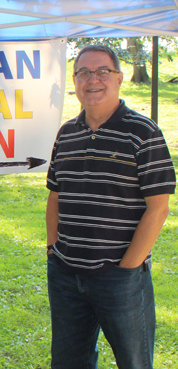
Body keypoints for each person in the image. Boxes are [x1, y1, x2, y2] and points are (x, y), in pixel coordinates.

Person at [45, 45, 176, 369]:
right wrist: (52, 250)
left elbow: (158, 208)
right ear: (74, 82)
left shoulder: (143, 133)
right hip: (66, 275)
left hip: (120, 278)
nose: (93, 80)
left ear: (118, 78)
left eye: (102, 71)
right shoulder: (66, 135)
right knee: (68, 363)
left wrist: (127, 269)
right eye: (84, 72)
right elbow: (56, 195)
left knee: (134, 362)